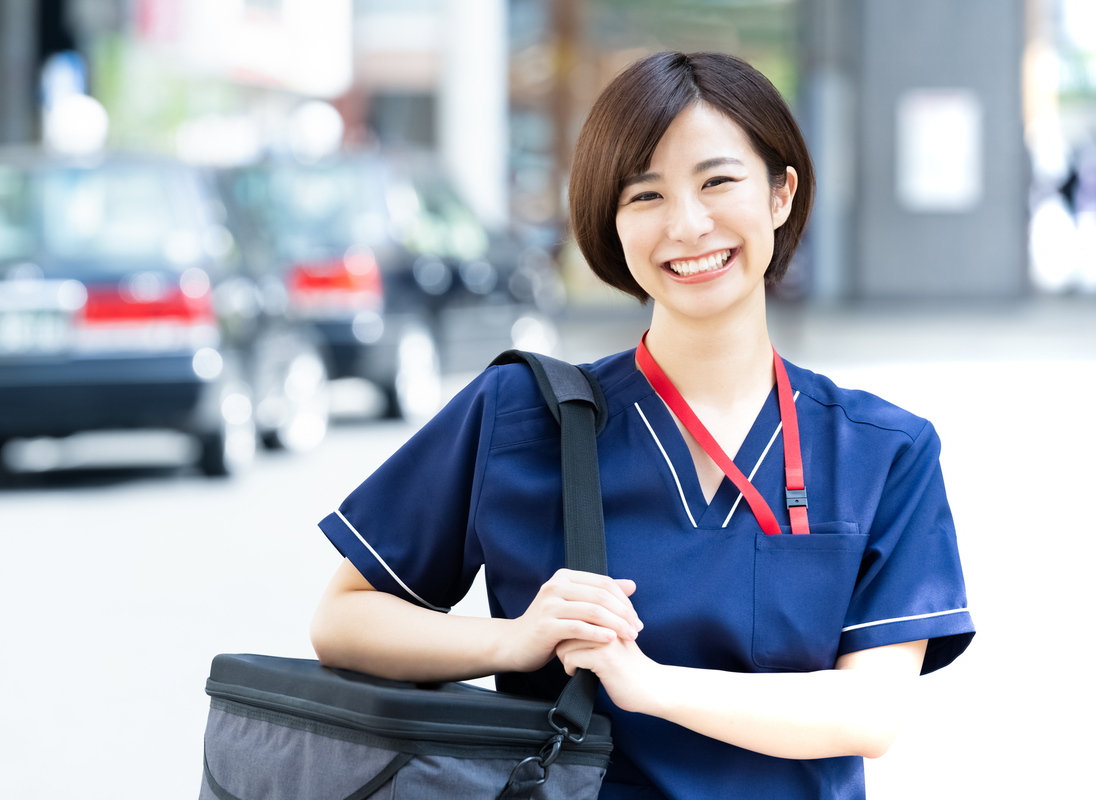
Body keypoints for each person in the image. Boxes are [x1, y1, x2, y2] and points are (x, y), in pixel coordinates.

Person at [311, 51, 974, 800]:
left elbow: (868, 714)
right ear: (613, 222)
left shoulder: (882, 450)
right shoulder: (523, 414)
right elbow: (344, 620)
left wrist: (648, 684)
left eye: (718, 181)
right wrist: (516, 638)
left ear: (782, 194)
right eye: (645, 195)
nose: (688, 226)